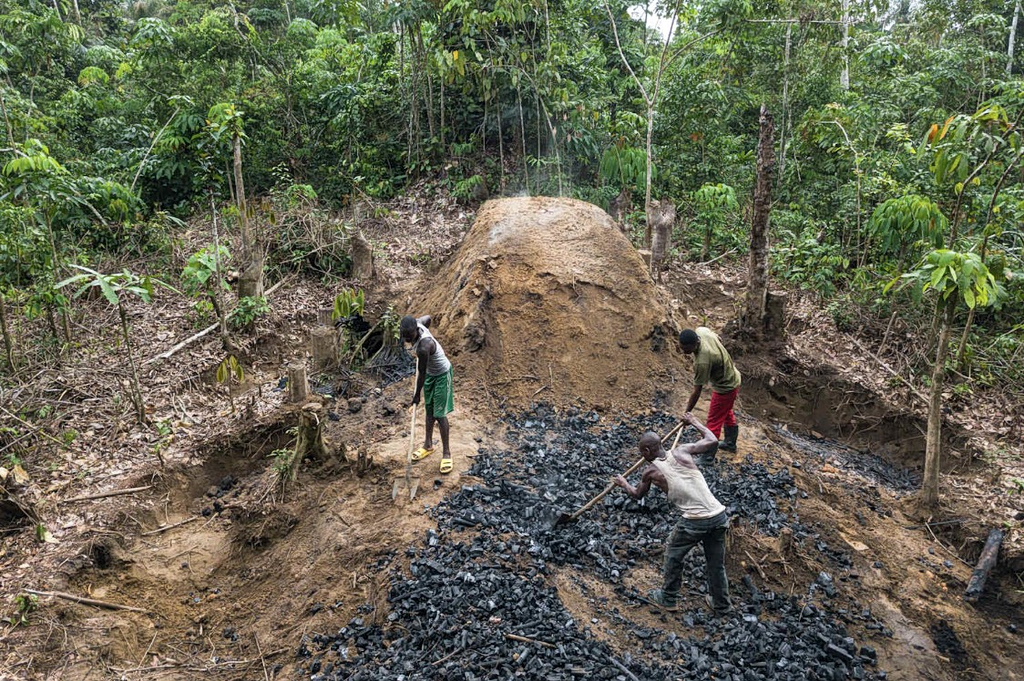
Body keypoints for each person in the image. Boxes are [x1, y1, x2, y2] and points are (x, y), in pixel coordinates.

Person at [612, 412, 732, 615]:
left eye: (642, 451)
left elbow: (637, 494)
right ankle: (721, 604)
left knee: (674, 554)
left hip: (695, 521)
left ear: (648, 450)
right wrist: (694, 422)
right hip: (719, 515)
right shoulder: (682, 451)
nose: (641, 455)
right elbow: (712, 440)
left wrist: (623, 483)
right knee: (715, 563)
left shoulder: (650, 472)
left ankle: (668, 598)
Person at [401, 314, 454, 474]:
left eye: (410, 337)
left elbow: (421, 373)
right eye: (405, 337)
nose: (408, 340)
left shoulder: (424, 347)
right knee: (429, 410)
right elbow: (428, 318)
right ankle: (428, 445)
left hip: (441, 374)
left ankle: (447, 453)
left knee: (439, 413)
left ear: (416, 331)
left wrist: (416, 396)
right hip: (430, 374)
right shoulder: (417, 324)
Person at [679, 327, 741, 456]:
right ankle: (730, 443)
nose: (684, 352)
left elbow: (697, 390)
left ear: (695, 344)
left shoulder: (703, 361)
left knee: (713, 421)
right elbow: (717, 337)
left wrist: (687, 413)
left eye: (686, 350)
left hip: (726, 387)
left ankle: (708, 456)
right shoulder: (701, 331)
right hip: (733, 377)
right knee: (725, 411)